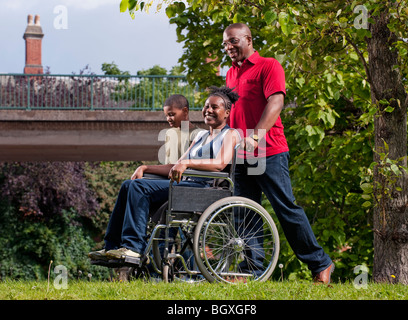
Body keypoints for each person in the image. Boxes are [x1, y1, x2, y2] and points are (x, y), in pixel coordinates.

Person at [222, 23, 334, 284]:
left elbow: (276, 101)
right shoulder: (229, 74)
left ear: (248, 39)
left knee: (286, 209)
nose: (228, 47)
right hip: (241, 155)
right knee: (245, 211)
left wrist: (256, 136)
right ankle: (251, 269)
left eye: (233, 41)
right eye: (225, 43)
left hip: (269, 151)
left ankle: (321, 263)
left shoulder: (269, 66)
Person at [88, 86, 241, 262]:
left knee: (139, 187)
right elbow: (175, 166)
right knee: (128, 185)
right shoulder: (200, 137)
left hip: (204, 188)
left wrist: (187, 163)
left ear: (227, 112)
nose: (208, 110)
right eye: (206, 106)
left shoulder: (230, 134)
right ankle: (111, 247)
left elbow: (220, 164)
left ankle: (133, 247)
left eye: (214, 107)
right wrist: (145, 168)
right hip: (185, 185)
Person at [161, 94, 202, 165]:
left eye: (171, 114)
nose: (168, 119)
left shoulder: (198, 134)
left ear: (185, 111)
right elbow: (167, 162)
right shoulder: (169, 133)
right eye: (166, 116)